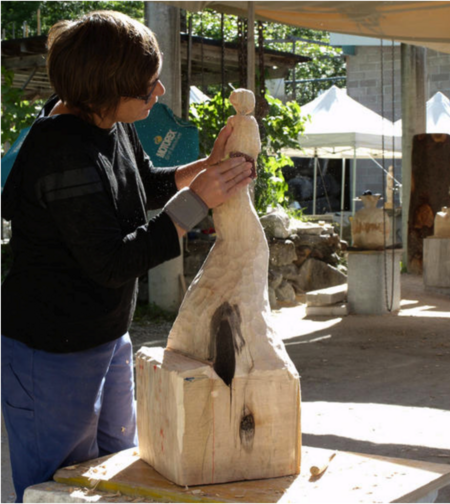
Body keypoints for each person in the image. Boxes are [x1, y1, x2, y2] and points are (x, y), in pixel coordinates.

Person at [1, 10, 253, 502]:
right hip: (51, 353)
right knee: (58, 486)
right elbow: (112, 262)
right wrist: (196, 202)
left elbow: (145, 185)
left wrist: (206, 168)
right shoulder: (61, 153)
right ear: (105, 88)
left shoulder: (107, 121)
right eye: (147, 87)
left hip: (106, 336)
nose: (159, 92)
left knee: (118, 474)